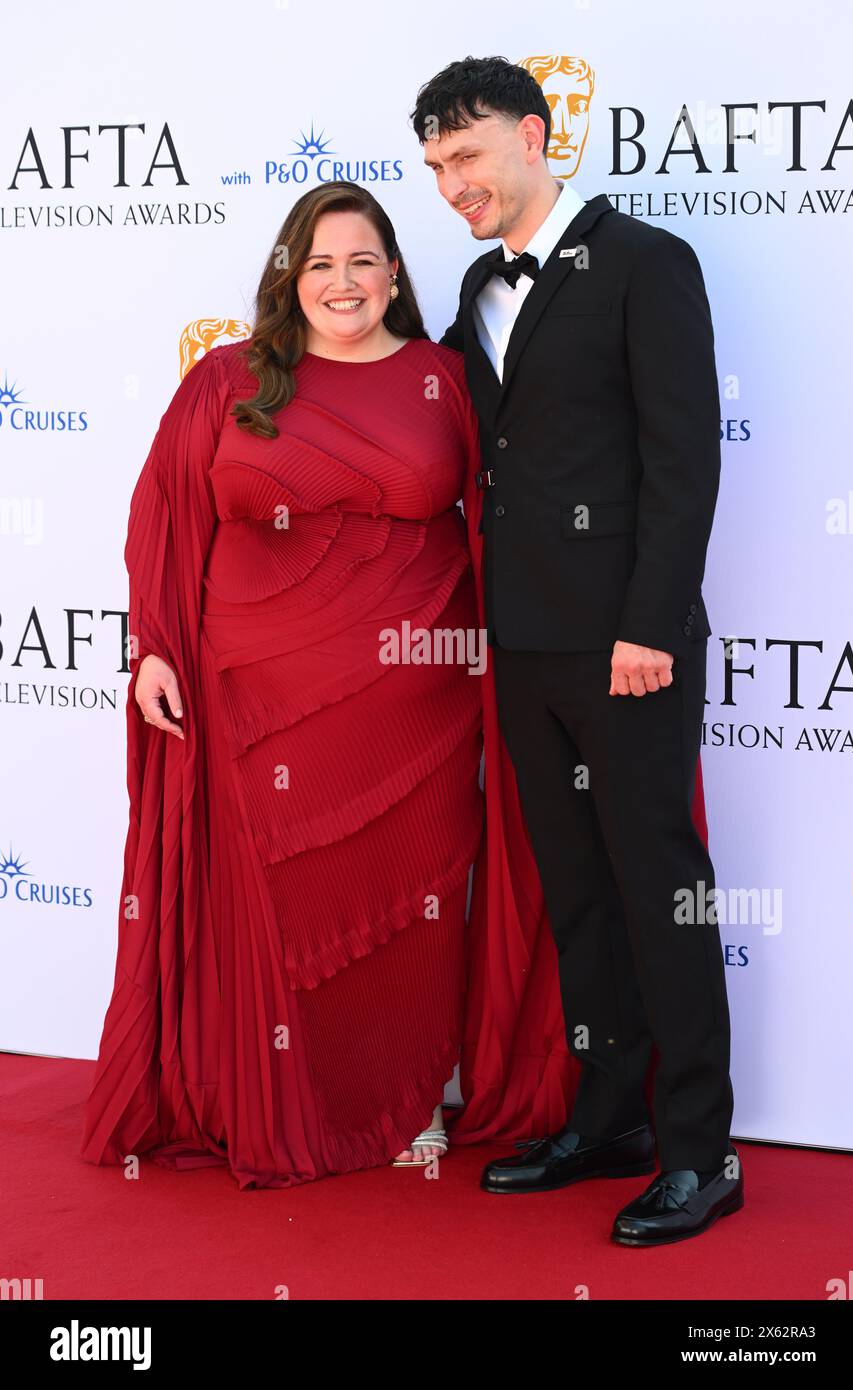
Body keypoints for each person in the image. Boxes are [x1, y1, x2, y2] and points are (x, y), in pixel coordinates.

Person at [81, 181, 500, 1185]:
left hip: (416, 701)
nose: (341, 281)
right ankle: (262, 1095)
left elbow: (497, 522)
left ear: (394, 272)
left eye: (361, 260)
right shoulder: (229, 379)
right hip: (252, 693)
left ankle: (400, 1103)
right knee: (279, 902)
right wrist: (154, 648)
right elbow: (167, 517)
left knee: (407, 898)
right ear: (289, 277)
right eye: (318, 263)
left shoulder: (448, 378)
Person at [411, 56, 743, 1246]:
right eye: (435, 164)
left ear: (535, 134)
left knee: (661, 892)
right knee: (580, 897)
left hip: (625, 648)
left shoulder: (645, 264)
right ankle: (611, 1117)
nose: (452, 182)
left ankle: (703, 1152)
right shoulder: (472, 283)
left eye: (468, 154)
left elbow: (682, 457)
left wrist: (649, 626)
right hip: (527, 646)